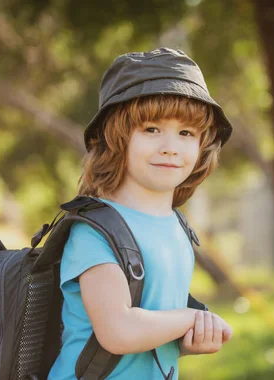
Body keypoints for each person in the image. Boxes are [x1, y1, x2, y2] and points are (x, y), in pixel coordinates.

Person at [48, 47, 235, 380]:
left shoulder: (177, 227)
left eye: (186, 133)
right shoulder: (96, 230)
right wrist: (190, 319)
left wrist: (190, 338)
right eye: (151, 129)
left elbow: (152, 331)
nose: (170, 146)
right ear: (116, 137)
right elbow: (118, 331)